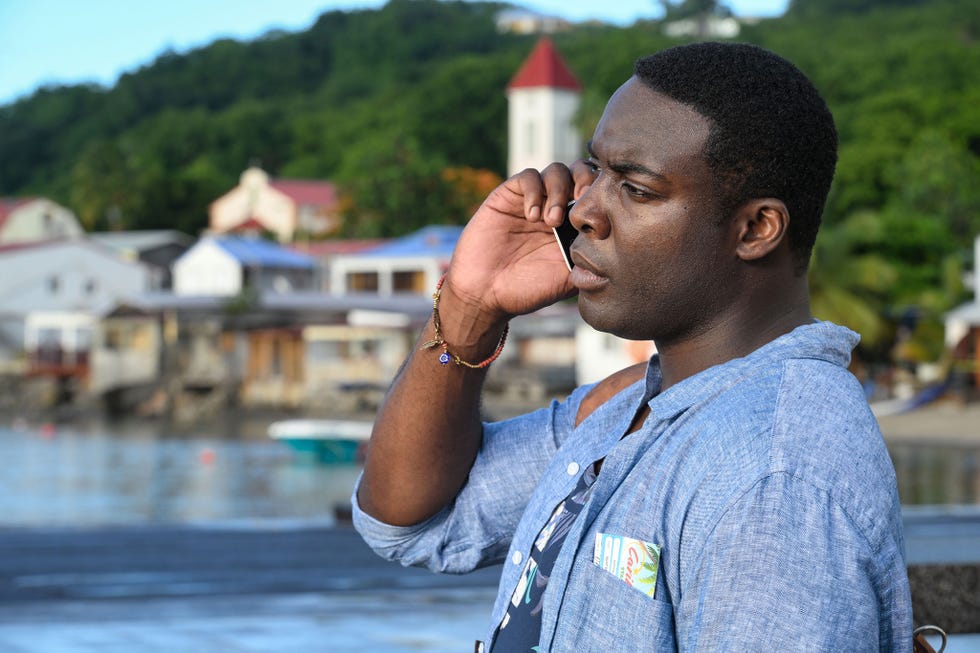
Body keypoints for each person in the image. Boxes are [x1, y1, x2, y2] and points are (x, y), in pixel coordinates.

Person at [352, 41, 912, 651]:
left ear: (755, 229)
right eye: (596, 171)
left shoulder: (773, 474)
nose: (581, 211)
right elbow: (409, 521)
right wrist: (471, 305)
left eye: (637, 189)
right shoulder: (630, 409)